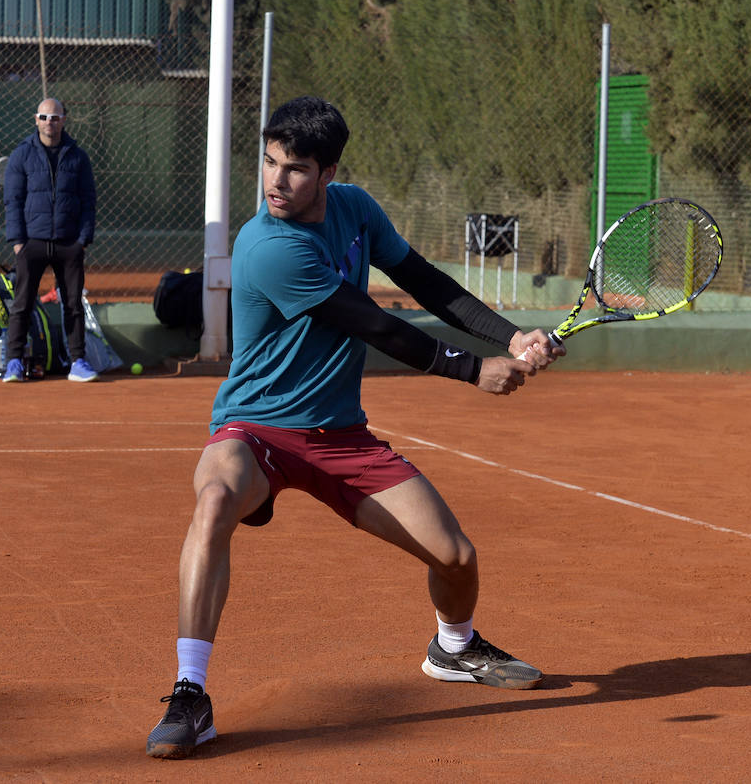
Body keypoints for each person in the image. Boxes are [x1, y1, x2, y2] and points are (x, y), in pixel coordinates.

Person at [145, 96, 564, 759]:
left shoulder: (356, 210)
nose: (276, 181)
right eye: (269, 162)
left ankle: (454, 649)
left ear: (329, 173)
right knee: (216, 499)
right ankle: (189, 693)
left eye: (295, 168)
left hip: (341, 437)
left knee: (456, 558)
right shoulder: (267, 245)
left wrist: (511, 336)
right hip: (257, 429)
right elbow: (373, 323)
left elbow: (423, 281)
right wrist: (472, 369)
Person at [0, 96, 98, 383]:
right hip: (32, 242)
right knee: (22, 303)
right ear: (36, 120)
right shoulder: (22, 154)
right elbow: (13, 200)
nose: (49, 122)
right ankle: (14, 362)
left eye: (54, 117)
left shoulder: (78, 156)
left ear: (63, 120)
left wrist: (82, 240)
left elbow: (88, 201)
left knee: (73, 305)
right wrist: (18, 241)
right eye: (43, 117)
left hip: (69, 243)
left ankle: (78, 362)